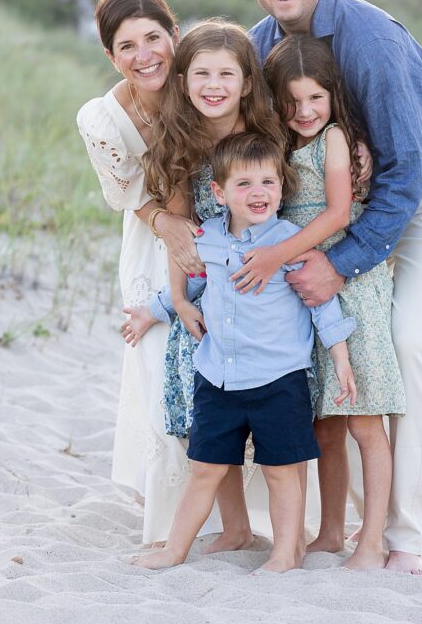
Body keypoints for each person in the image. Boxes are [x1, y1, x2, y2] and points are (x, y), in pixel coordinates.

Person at [244, 0, 422, 575]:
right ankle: (337, 527)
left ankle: (403, 537)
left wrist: (340, 263)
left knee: (406, 340)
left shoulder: (371, 40)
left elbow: (404, 171)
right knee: (323, 355)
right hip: (333, 206)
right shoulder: (261, 44)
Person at [122, 132, 357, 573]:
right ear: (219, 192)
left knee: (281, 470)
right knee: (206, 468)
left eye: (268, 182)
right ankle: (174, 549)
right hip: (218, 377)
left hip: (278, 378)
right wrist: (149, 313)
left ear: (282, 188)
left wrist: (340, 355)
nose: (259, 193)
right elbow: (192, 287)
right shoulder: (207, 238)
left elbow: (322, 301)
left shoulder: (290, 240)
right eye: (244, 184)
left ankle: (285, 553)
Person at [228, 34, 406, 569]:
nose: (304, 111)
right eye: (293, 100)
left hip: (345, 279)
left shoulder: (334, 139)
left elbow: (335, 214)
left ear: (332, 98)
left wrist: (274, 254)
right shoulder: (277, 142)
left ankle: (371, 539)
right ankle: (329, 532)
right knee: (323, 420)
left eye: (316, 99)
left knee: (362, 415)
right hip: (299, 285)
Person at [76, 0, 226, 545]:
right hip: (149, 242)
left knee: (223, 362)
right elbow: (127, 196)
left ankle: (239, 512)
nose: (145, 55)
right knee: (165, 368)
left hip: (219, 233)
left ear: (174, 35)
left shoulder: (203, 80)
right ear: (112, 56)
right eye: (127, 46)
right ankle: (168, 516)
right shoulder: (102, 118)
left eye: (153, 38)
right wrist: (165, 225)